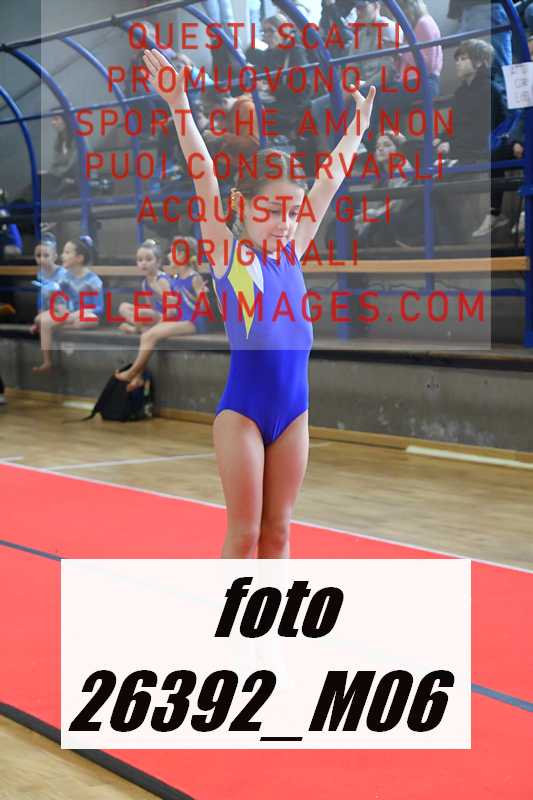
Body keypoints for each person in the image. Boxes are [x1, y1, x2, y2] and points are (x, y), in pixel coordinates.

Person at [142, 47, 375, 558]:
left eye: (292, 211)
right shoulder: (228, 254)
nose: (285, 222)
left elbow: (329, 181)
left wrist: (357, 128)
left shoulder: (293, 249)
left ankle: (272, 614)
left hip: (294, 415)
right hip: (243, 415)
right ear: (242, 207)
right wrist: (179, 104)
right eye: (271, 210)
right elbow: (203, 174)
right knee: (245, 534)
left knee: (279, 533)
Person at [115, 236, 207, 390]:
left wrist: (202, 295)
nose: (169, 255)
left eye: (171, 252)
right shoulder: (176, 278)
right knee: (147, 335)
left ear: (181, 255)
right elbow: (172, 305)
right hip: (179, 320)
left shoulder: (194, 278)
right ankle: (137, 377)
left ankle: (132, 372)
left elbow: (203, 308)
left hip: (192, 322)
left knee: (150, 335)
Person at [33, 236, 103, 373]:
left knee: (86, 320)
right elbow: (57, 297)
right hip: (69, 315)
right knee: (42, 320)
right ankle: (47, 362)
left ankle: (59, 325)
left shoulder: (93, 280)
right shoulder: (65, 279)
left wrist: (79, 313)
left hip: (87, 315)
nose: (62, 256)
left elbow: (100, 308)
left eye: (67, 252)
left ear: (79, 258)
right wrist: (56, 304)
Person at [118, 239, 172, 334]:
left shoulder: (162, 280)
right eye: (140, 260)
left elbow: (172, 307)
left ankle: (136, 329)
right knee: (123, 307)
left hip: (166, 316)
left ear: (158, 262)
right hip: (153, 314)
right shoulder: (144, 283)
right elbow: (150, 306)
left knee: (139, 313)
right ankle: (143, 328)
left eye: (148, 259)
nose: (144, 263)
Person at [31, 233, 68, 332]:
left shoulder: (62, 273)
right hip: (49, 308)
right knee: (38, 319)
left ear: (55, 256)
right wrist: (41, 312)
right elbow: (42, 296)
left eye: (46, 255)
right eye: (38, 256)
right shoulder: (40, 274)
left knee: (40, 320)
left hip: (63, 308)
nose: (42, 259)